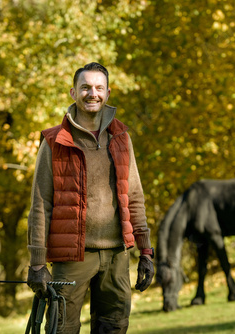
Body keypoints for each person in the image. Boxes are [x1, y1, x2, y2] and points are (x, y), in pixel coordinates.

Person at [26, 62, 154, 334]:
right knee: (61, 329)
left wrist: (145, 250)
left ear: (108, 93)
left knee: (114, 327)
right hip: (73, 257)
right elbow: (40, 206)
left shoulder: (121, 138)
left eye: (98, 88)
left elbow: (134, 197)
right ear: (73, 92)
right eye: (85, 87)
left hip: (117, 254)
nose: (92, 93)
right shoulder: (54, 142)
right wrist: (37, 262)